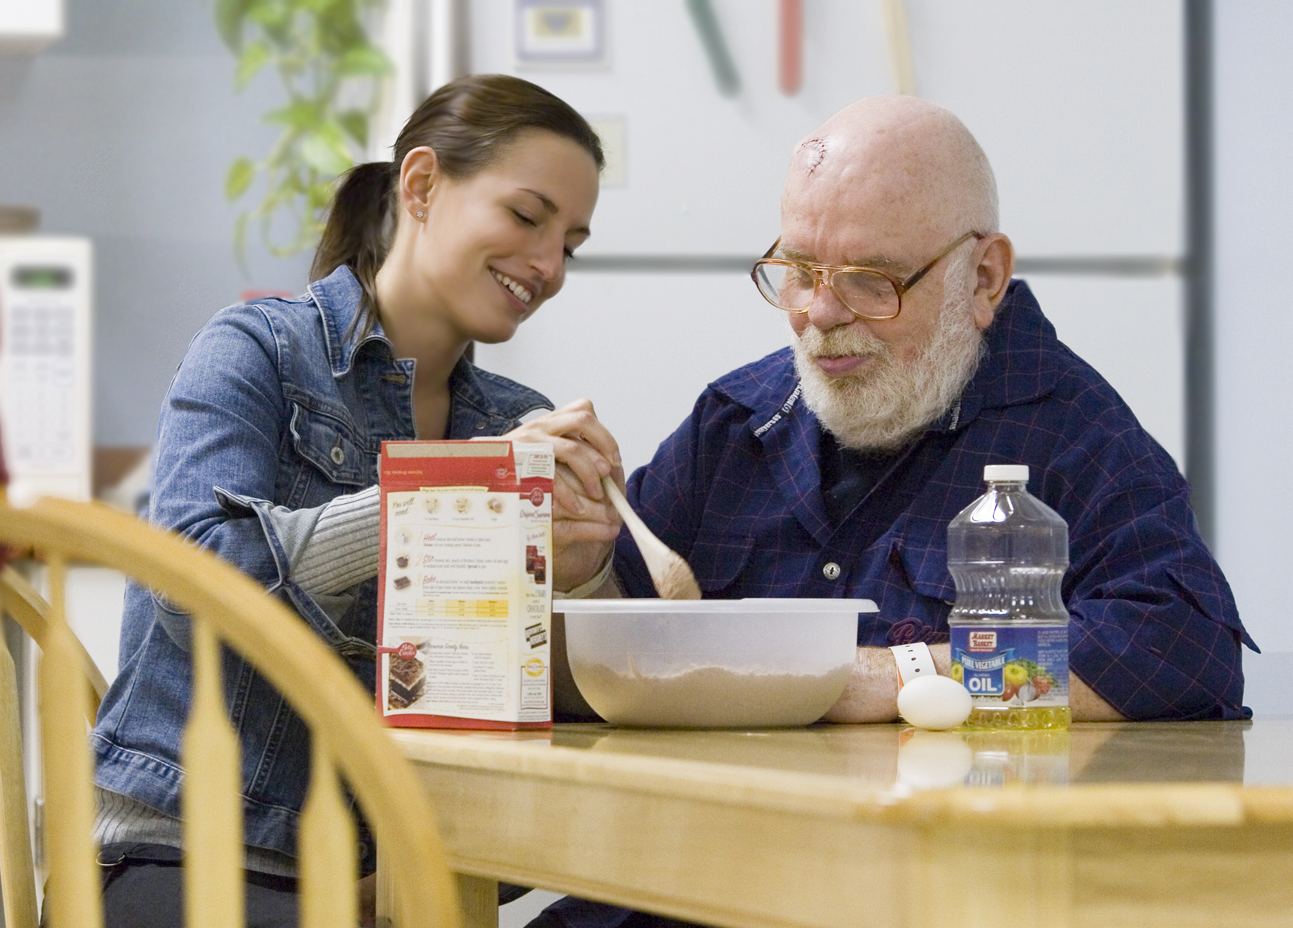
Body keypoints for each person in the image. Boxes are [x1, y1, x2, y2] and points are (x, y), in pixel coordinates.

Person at [533, 90, 1256, 928]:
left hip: (938, 892)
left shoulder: (1069, 428)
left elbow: (1181, 646)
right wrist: (583, 574)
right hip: (690, 875)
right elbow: (614, 648)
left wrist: (898, 676)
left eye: (871, 281)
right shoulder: (737, 422)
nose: (819, 316)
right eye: (796, 271)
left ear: (982, 277)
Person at [85, 74, 623, 928]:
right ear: (420, 185)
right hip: (188, 851)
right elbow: (188, 587)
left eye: (572, 243)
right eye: (527, 217)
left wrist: (584, 579)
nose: (550, 266)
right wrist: (447, 495)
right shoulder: (255, 348)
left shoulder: (517, 421)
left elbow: (549, 717)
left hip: (394, 873)